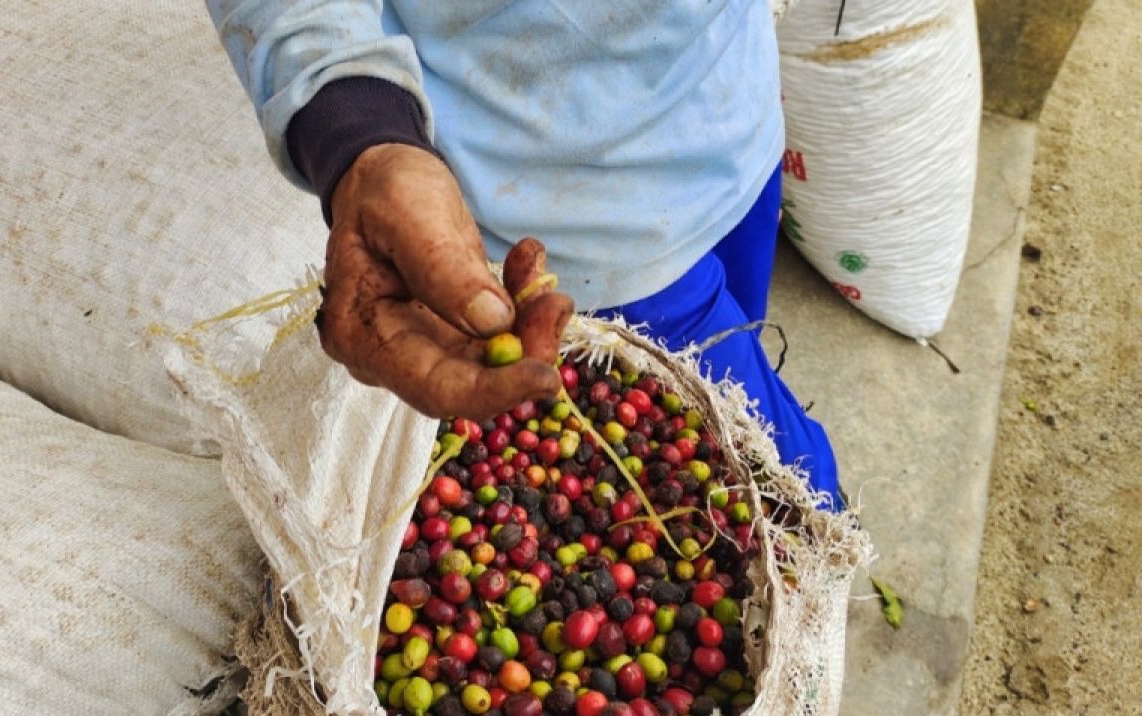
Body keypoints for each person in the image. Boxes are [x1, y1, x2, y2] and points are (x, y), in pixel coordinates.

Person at [204, 2, 838, 498]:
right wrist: (358, 132)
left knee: (739, 352)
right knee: (777, 491)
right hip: (580, 220)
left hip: (731, 114)